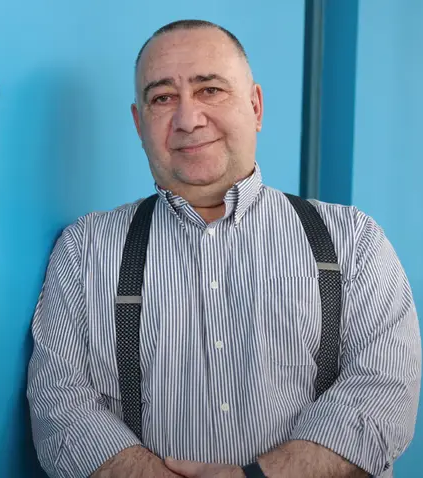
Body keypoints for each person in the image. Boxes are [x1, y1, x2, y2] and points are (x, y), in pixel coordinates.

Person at [26, 19, 420, 478]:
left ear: (255, 106)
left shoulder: (353, 240)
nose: (188, 119)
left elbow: (383, 392)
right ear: (139, 123)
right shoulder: (84, 250)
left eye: (210, 90)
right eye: (162, 98)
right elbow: (60, 404)